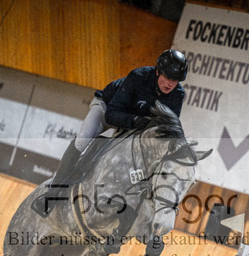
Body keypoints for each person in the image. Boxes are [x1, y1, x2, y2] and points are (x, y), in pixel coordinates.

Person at [32, 49, 188, 217]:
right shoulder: (138, 76)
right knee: (83, 138)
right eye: (167, 77)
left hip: (136, 126)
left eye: (175, 80)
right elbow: (111, 114)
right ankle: (52, 193)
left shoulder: (178, 95)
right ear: (158, 72)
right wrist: (134, 120)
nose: (170, 84)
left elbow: (168, 129)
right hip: (108, 108)